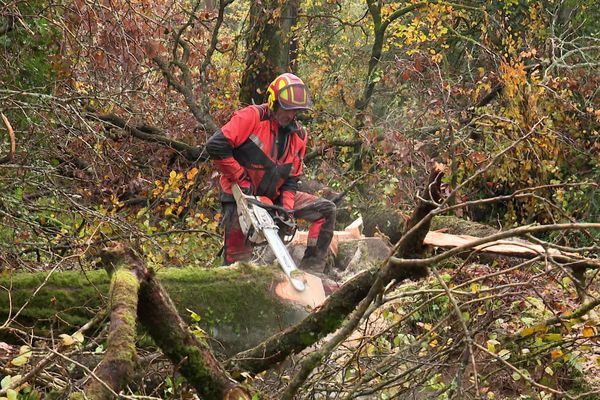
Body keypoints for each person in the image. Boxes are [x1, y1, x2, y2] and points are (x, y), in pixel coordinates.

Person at [206, 72, 336, 272]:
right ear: (274, 102)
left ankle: (312, 270)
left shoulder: (299, 135)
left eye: (295, 111)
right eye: (287, 109)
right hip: (241, 196)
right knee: (238, 266)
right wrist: (240, 178)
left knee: (326, 210)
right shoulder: (252, 117)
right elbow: (216, 146)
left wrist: (287, 210)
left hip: (273, 196)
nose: (290, 115)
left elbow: (292, 179)